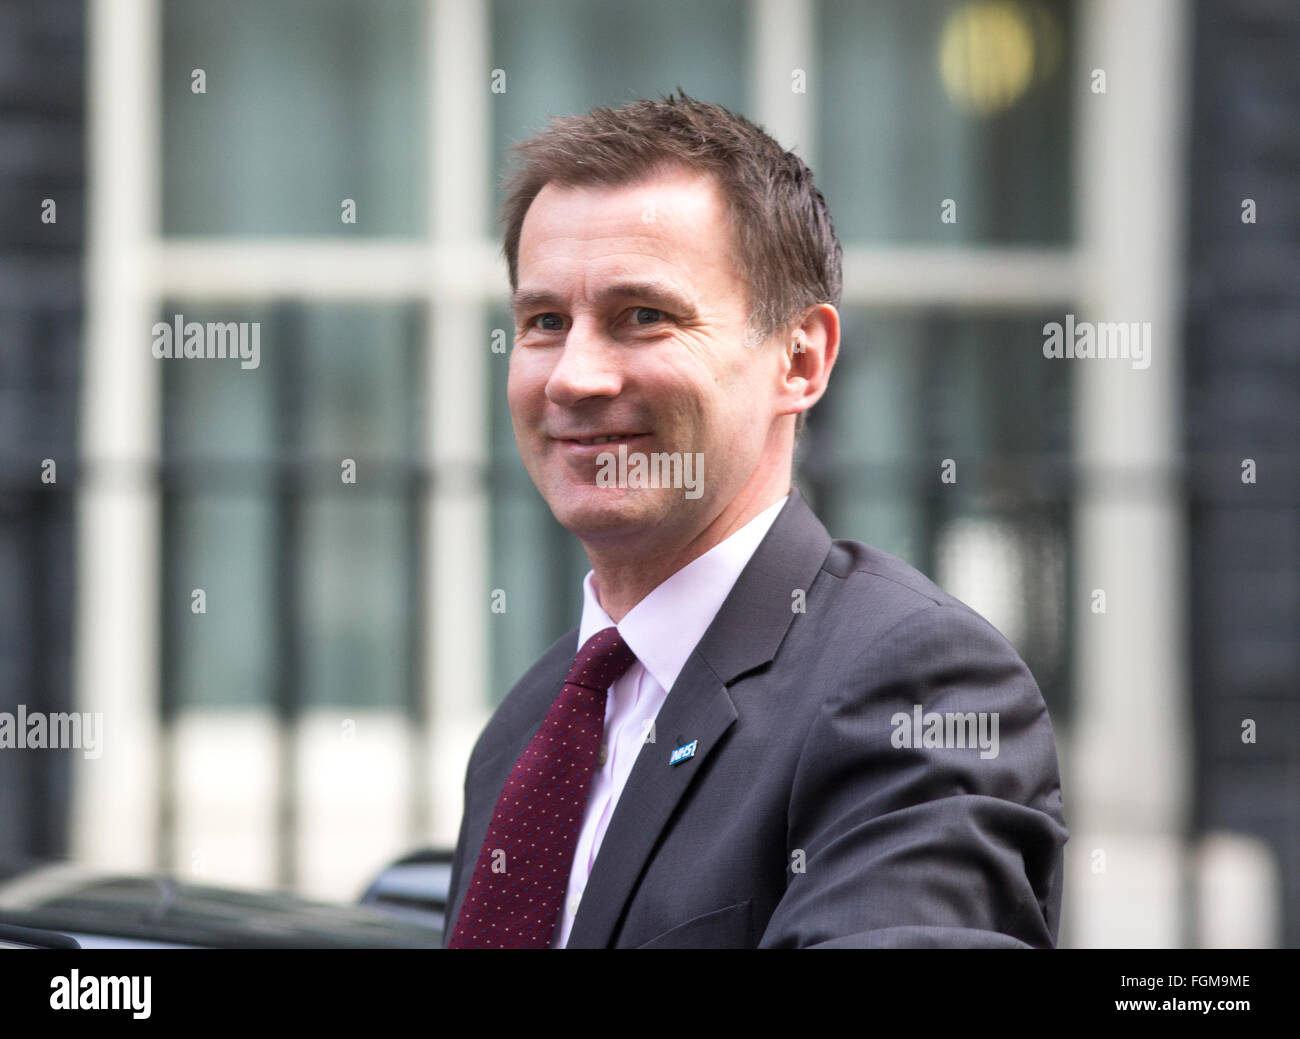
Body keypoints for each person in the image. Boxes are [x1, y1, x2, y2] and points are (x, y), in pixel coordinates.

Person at [444, 90, 1067, 949]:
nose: (574, 378)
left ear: (800, 359)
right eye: (545, 321)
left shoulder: (915, 685)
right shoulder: (526, 732)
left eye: (644, 317)